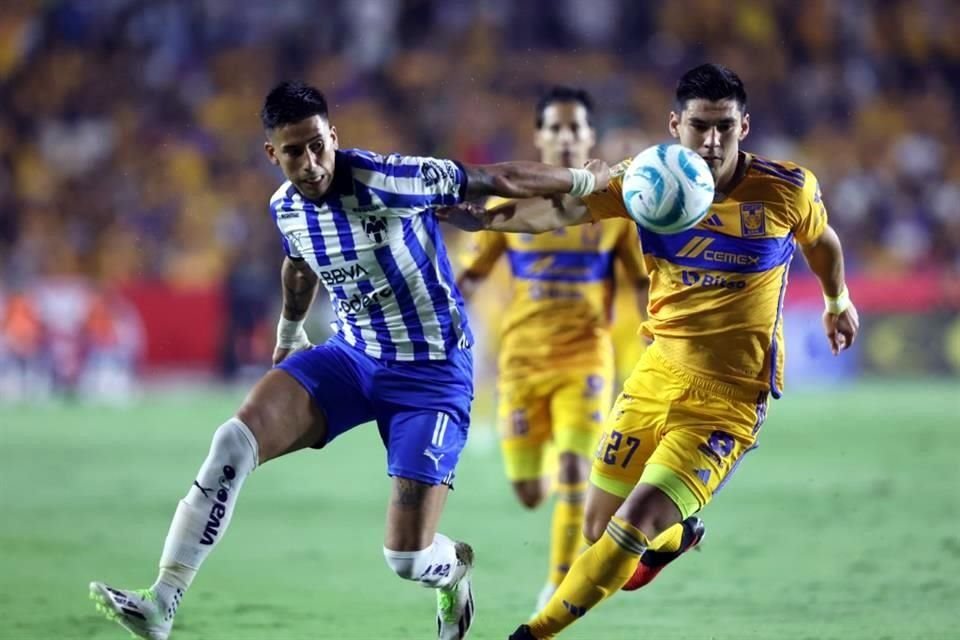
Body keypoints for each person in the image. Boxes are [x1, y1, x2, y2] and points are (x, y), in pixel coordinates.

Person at [88, 80, 610, 640]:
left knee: (405, 559)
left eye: (318, 144)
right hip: (351, 357)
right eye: (294, 151)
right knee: (232, 441)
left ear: (333, 135)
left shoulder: (393, 178)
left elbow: (496, 178)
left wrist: (586, 178)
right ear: (273, 153)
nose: (311, 162)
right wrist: (289, 330)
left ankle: (453, 570)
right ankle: (162, 601)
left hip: (432, 373)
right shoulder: (285, 208)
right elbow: (299, 262)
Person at [441, 63, 860, 639]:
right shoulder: (645, 180)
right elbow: (558, 212)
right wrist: (485, 220)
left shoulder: (788, 189)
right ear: (674, 124)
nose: (712, 143)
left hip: (731, 400)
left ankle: (530, 634)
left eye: (725, 128)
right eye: (699, 127)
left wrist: (837, 299)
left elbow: (823, 242)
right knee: (599, 525)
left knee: (631, 525)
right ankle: (678, 536)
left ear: (745, 126)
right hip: (656, 372)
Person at [456, 86, 647, 612]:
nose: (566, 137)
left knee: (573, 470)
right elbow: (471, 277)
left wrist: (656, 325)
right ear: (540, 137)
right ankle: (531, 477)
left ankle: (558, 582)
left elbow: (639, 283)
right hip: (522, 362)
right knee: (528, 490)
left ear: (590, 136)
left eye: (576, 128)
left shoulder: (613, 210)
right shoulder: (509, 204)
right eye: (555, 129)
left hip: (586, 356)